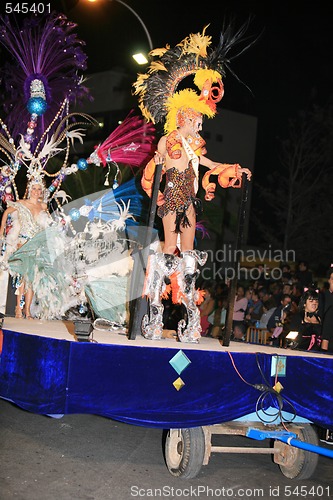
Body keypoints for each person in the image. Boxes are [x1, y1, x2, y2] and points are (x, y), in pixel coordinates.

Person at [134, 25, 253, 343]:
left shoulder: (194, 145)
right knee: (168, 250)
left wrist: (233, 169)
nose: (198, 123)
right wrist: (158, 184)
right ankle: (153, 317)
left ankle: (189, 320)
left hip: (187, 199)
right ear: (182, 117)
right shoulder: (169, 141)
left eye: (198, 120)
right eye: (193, 118)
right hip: (171, 194)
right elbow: (158, 165)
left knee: (188, 256)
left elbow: (210, 165)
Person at [0, 181, 52, 319]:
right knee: (22, 277)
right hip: (23, 244)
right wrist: (1, 232)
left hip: (37, 246)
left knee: (33, 279)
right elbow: (6, 213)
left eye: (38, 189)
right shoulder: (22, 203)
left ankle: (27, 311)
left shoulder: (43, 206)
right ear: (29, 189)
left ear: (42, 191)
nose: (36, 191)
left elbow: (47, 225)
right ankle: (18, 308)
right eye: (33, 188)